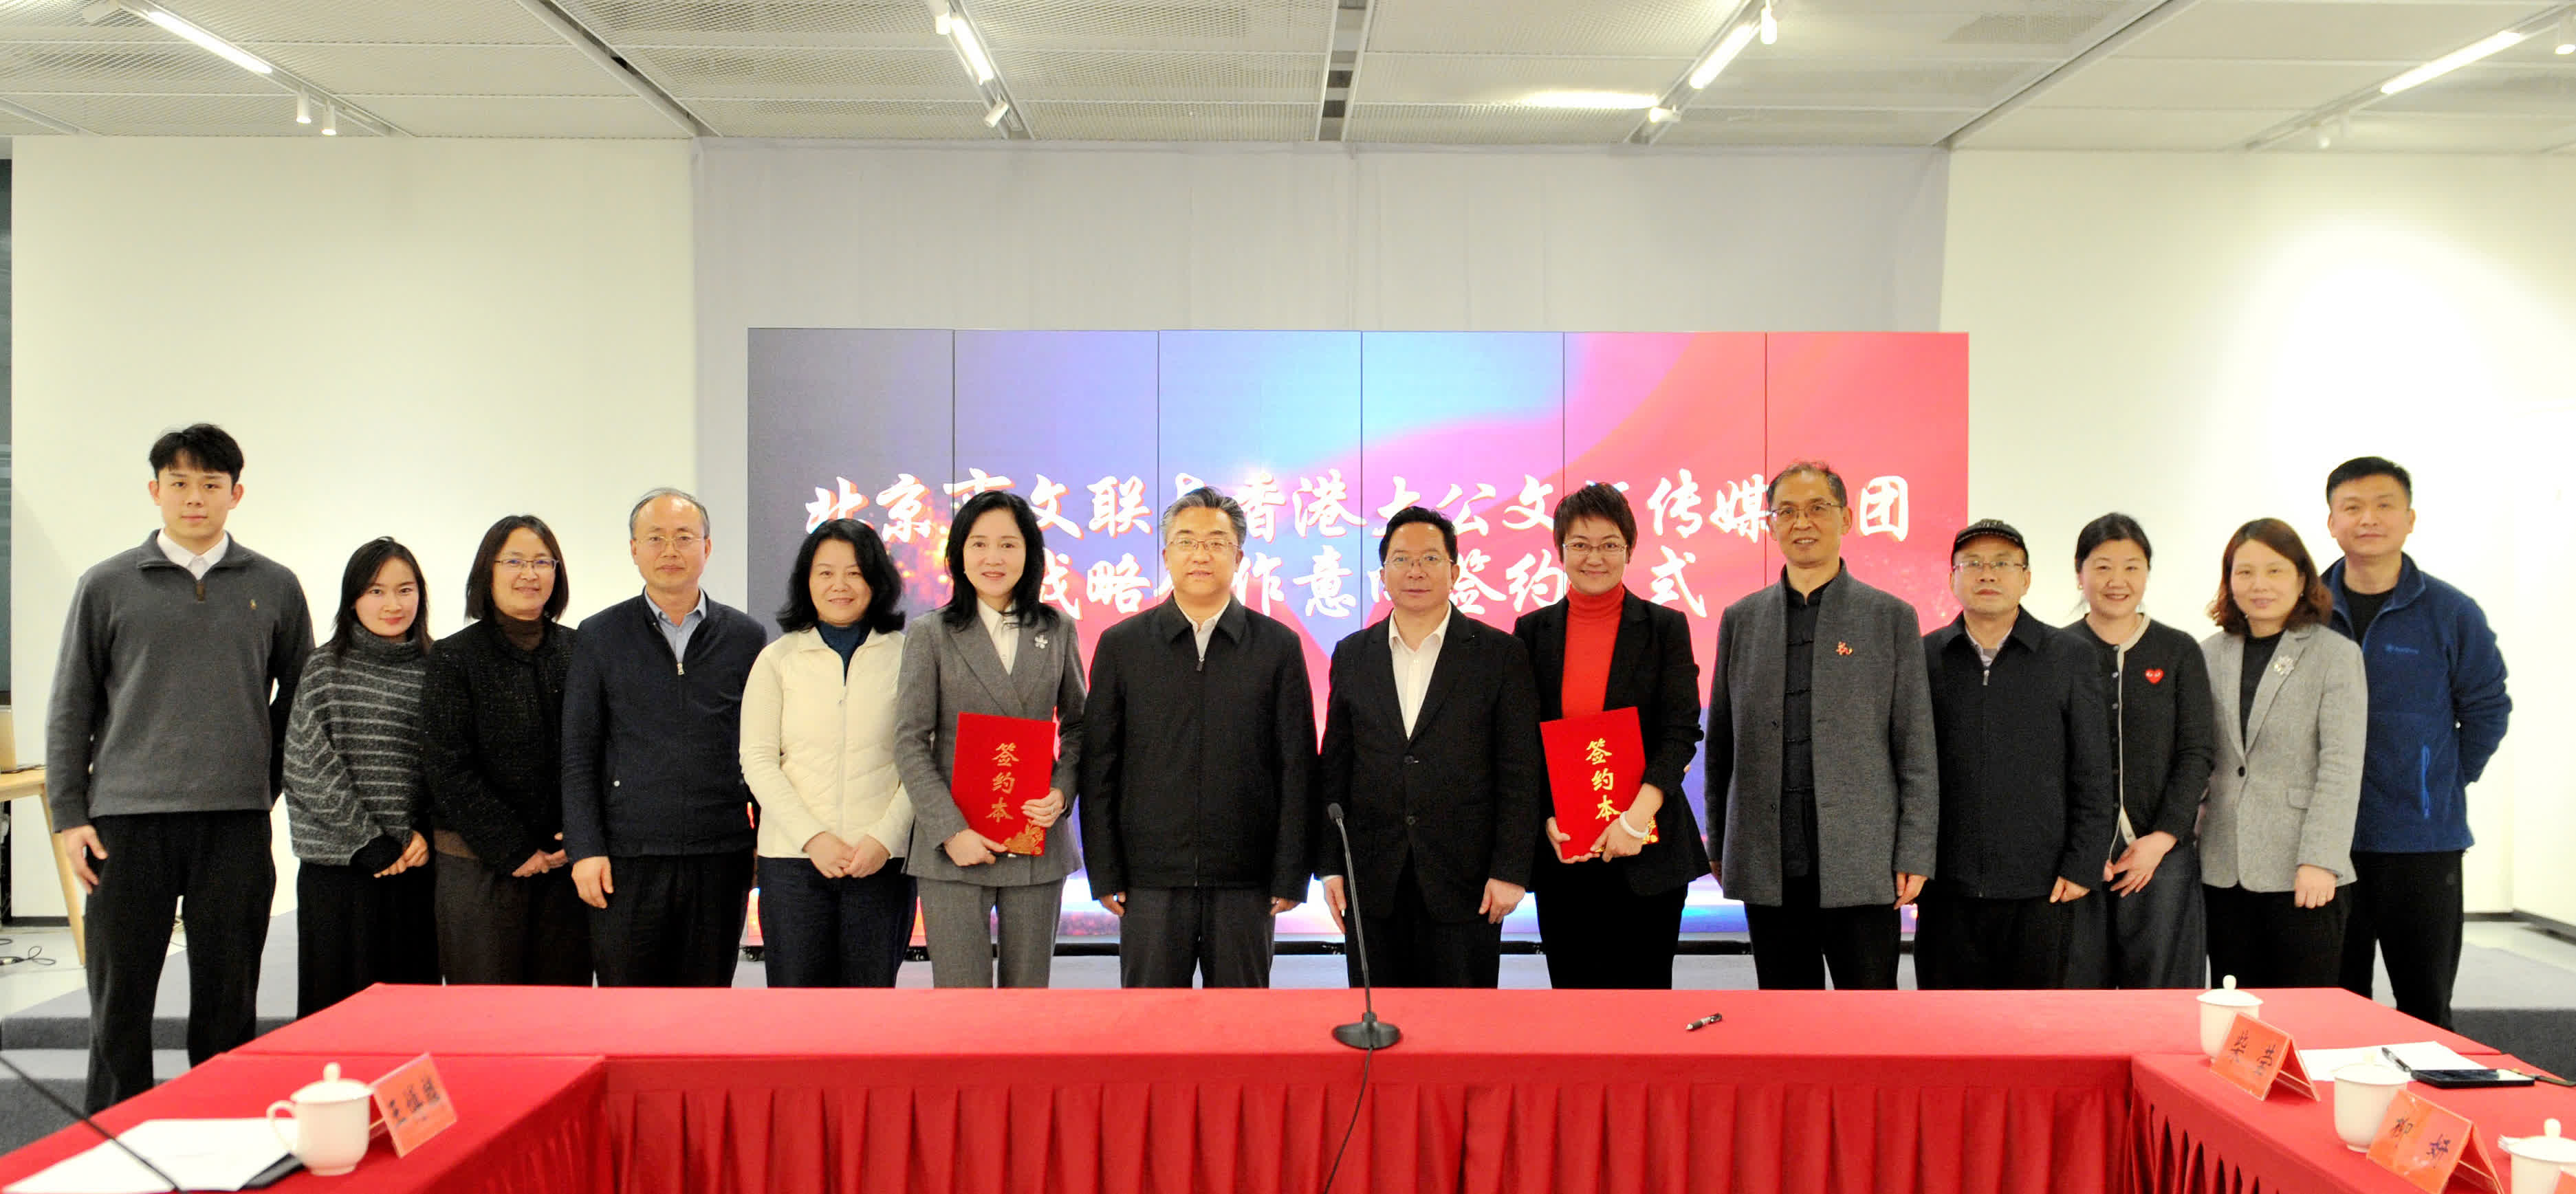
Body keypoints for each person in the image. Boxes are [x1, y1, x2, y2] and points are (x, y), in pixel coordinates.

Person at [47, 424, 312, 1110]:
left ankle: (220, 1134)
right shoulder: (106, 584)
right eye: (180, 483)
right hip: (126, 822)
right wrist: (70, 815)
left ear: (236, 494)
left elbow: (300, 701)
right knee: (120, 1003)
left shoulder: (276, 587)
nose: (195, 497)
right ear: (155, 490)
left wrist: (262, 785)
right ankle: (115, 1137)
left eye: (211, 484)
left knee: (228, 1001)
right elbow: (71, 704)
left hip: (234, 823)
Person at [1705, 462, 1939, 991]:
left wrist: (1914, 851)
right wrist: (1720, 843)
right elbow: (1722, 744)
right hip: (1769, 859)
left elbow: (1916, 748)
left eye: (1817, 508)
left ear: (1847, 519)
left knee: (1870, 1017)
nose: (1802, 523)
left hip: (1864, 860)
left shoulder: (1889, 617)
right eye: (1786, 511)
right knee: (1786, 1017)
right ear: (1771, 525)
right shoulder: (1742, 619)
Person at [1080, 486, 1313, 988]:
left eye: (1216, 543)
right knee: (1151, 1021)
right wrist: (1104, 869)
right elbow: (1100, 765)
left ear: (1239, 557)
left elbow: (1297, 766)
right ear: (1167, 555)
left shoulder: (1277, 647)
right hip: (1148, 878)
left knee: (1241, 1022)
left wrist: (1290, 871)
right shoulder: (1123, 645)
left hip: (1247, 879)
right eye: (1186, 541)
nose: (1201, 554)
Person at [1317, 506, 1542, 989]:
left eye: (1430, 559)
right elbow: (1335, 766)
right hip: (1372, 880)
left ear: (1454, 571)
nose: (1415, 571)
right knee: (1379, 1021)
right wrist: (1331, 866)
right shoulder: (1353, 654)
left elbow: (1521, 770)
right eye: (1401, 559)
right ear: (1383, 574)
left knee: (1460, 1025)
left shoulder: (1499, 654)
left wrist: (1511, 870)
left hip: (1468, 883)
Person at [2321, 457, 2509, 1030]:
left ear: (2410, 518)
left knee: (2425, 1007)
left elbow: (2487, 709)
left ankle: (2431, 1094)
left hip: (2422, 843)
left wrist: (2441, 779)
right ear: (2331, 521)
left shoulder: (2451, 612)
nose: (2368, 519)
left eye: (2384, 505)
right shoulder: (2308, 609)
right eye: (2352, 507)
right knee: (2332, 1007)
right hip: (2325, 843)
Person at [563, 488, 768, 987]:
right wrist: (585, 849)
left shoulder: (745, 637)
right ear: (634, 549)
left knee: (705, 1005)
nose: (670, 551)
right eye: (655, 538)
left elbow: (764, 749)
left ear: (707, 547)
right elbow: (578, 752)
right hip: (626, 858)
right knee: (628, 1005)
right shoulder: (599, 635)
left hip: (719, 854)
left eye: (684, 537)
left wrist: (763, 841)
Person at [1514, 483, 1708, 990]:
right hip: (1566, 853)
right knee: (1574, 1001)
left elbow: (1680, 732)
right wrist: (1546, 817)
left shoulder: (1665, 627)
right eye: (1580, 544)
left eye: (1609, 544)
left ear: (1629, 549)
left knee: (1644, 1003)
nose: (1594, 557)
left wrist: (1635, 820)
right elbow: (1522, 741)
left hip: (1649, 848)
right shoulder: (1532, 632)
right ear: (1560, 551)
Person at [895, 492, 1085, 988]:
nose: (993, 557)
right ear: (959, 554)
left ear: (1030, 554)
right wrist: (949, 830)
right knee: (963, 1005)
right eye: (979, 544)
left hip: (1034, 838)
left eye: (1008, 544)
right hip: (954, 845)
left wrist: (1061, 792)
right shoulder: (931, 633)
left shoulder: (1057, 629)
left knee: (1028, 999)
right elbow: (910, 741)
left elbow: (1079, 726)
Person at [1917, 519, 2117, 991]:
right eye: (1973, 564)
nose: (1987, 573)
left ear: (2026, 579)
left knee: (2032, 1025)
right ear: (1952, 579)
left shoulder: (2069, 656)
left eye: (2003, 564)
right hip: (1947, 888)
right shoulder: (1924, 656)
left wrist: (2083, 863)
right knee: (1948, 1024)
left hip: (2042, 888)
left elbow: (2093, 770)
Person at [740, 520, 915, 988]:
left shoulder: (909, 656)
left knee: (869, 1011)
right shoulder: (777, 659)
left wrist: (885, 838)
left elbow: (923, 759)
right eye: (826, 573)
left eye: (855, 573)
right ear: (806, 581)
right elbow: (758, 760)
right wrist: (813, 837)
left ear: (877, 580)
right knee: (798, 1012)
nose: (840, 585)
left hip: (881, 862)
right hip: (792, 863)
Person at [2199, 518, 2368, 988]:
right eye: (2245, 572)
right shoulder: (2209, 653)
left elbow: (2341, 766)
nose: (2259, 585)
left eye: (2274, 571)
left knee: (2302, 1012)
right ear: (2229, 580)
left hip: (2302, 870)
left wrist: (2321, 858)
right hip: (2223, 865)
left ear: (2301, 578)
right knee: (2234, 1009)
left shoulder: (2335, 655)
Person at [422, 515, 589, 986]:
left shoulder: (580, 650)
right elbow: (447, 766)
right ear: (487, 571)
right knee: (487, 1013)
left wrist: (576, 834)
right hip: (479, 866)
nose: (529, 574)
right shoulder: (454, 657)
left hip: (564, 865)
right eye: (514, 561)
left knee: (562, 1011)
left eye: (542, 562)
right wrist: (513, 848)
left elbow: (596, 751)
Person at [281, 538, 440, 1017]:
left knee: (410, 1017)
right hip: (339, 873)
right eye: (376, 591)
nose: (393, 604)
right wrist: (368, 840)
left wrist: (424, 829)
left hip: (415, 865)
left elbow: (449, 763)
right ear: (353, 598)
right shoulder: (324, 668)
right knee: (337, 1017)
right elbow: (307, 766)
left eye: (405, 590)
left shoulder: (438, 668)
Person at [2060, 514, 2216, 990]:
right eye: (2103, 566)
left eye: (2132, 567)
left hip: (2162, 857)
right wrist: (2082, 850)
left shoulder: (2178, 650)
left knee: (2162, 1001)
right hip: (2077, 861)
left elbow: (2196, 752)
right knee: (2076, 1000)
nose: (2118, 580)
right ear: (2079, 573)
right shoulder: (2057, 651)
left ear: (2148, 572)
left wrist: (2162, 838)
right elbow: (2045, 762)